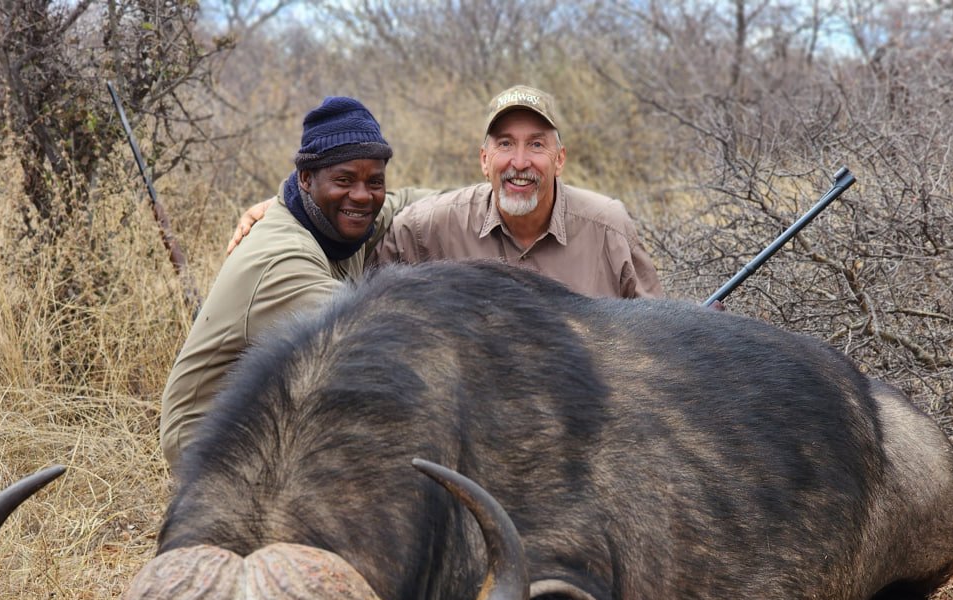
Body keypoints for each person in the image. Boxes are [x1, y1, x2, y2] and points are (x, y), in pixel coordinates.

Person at [159, 96, 430, 470]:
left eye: (375, 182)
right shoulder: (281, 261)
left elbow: (423, 206)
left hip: (275, 412)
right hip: (215, 443)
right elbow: (372, 337)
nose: (363, 196)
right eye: (344, 180)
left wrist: (506, 196)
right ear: (305, 178)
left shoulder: (339, 216)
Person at [372, 85, 663, 299]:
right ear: (485, 160)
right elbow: (371, 310)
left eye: (536, 145)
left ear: (559, 159)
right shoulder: (426, 228)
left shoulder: (608, 229)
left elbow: (656, 338)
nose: (520, 163)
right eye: (505, 144)